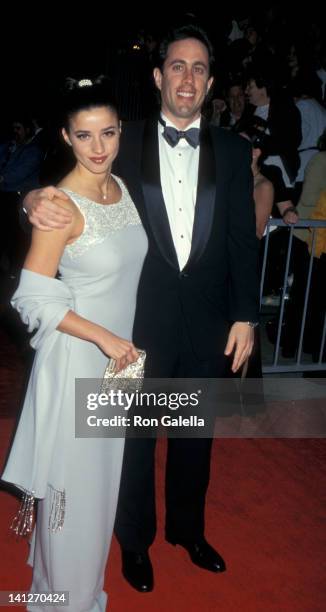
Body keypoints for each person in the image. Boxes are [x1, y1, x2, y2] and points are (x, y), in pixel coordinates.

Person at [22, 24, 260, 593]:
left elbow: (241, 241)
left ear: (210, 82)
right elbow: (72, 188)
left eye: (199, 69)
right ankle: (135, 542)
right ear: (158, 77)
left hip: (209, 322)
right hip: (139, 322)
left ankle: (188, 530)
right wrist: (33, 200)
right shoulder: (119, 141)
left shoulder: (232, 149)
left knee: (192, 436)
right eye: (177, 66)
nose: (187, 78)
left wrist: (246, 314)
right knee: (134, 441)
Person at [1, 77, 147, 611]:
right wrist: (104, 336)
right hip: (78, 362)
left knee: (98, 490)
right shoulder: (59, 206)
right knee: (73, 495)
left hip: (115, 369)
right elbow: (32, 298)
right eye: (84, 136)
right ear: (65, 136)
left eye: (107, 132)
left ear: (120, 131)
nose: (99, 147)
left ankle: (65, 587)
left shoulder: (121, 188)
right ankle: (67, 601)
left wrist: (118, 345)